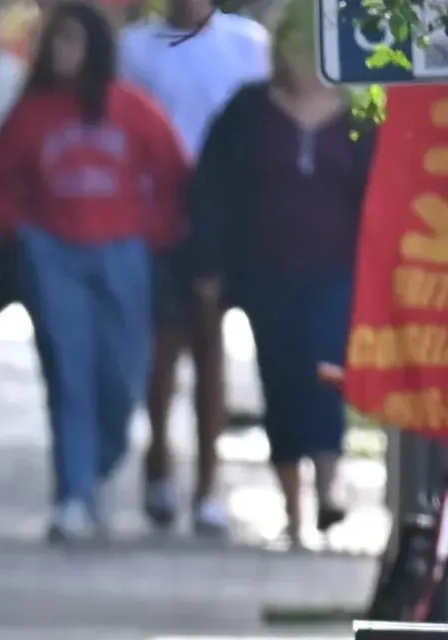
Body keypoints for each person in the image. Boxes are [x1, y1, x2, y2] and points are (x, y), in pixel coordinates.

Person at [0, 2, 190, 542]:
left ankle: (96, 467)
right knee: (68, 374)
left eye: (74, 41)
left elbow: (175, 177)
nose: (65, 51)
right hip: (54, 254)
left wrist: (153, 234)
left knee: (123, 378)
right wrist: (19, 233)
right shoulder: (32, 114)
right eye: (58, 41)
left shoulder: (134, 109)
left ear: (94, 47)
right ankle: (72, 494)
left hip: (123, 253)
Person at [188, 0, 371, 547]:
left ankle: (331, 484)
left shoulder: (361, 114)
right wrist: (208, 266)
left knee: (326, 372)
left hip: (335, 271)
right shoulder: (248, 110)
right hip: (265, 272)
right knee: (281, 382)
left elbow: (378, 198)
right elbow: (211, 190)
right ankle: (295, 512)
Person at [119, 0, 269, 537]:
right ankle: (159, 457)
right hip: (158, 215)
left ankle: (209, 482)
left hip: (224, 218)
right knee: (163, 350)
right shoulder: (135, 48)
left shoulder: (248, 45)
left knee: (211, 351)